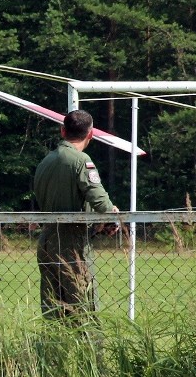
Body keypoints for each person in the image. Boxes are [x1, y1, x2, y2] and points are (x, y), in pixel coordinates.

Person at [33, 109, 119, 319]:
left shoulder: (46, 161)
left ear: (63, 131)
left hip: (46, 239)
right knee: (81, 304)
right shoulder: (81, 160)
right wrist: (112, 215)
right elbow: (99, 200)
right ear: (90, 134)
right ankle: (89, 350)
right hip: (72, 241)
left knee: (53, 305)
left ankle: (55, 349)